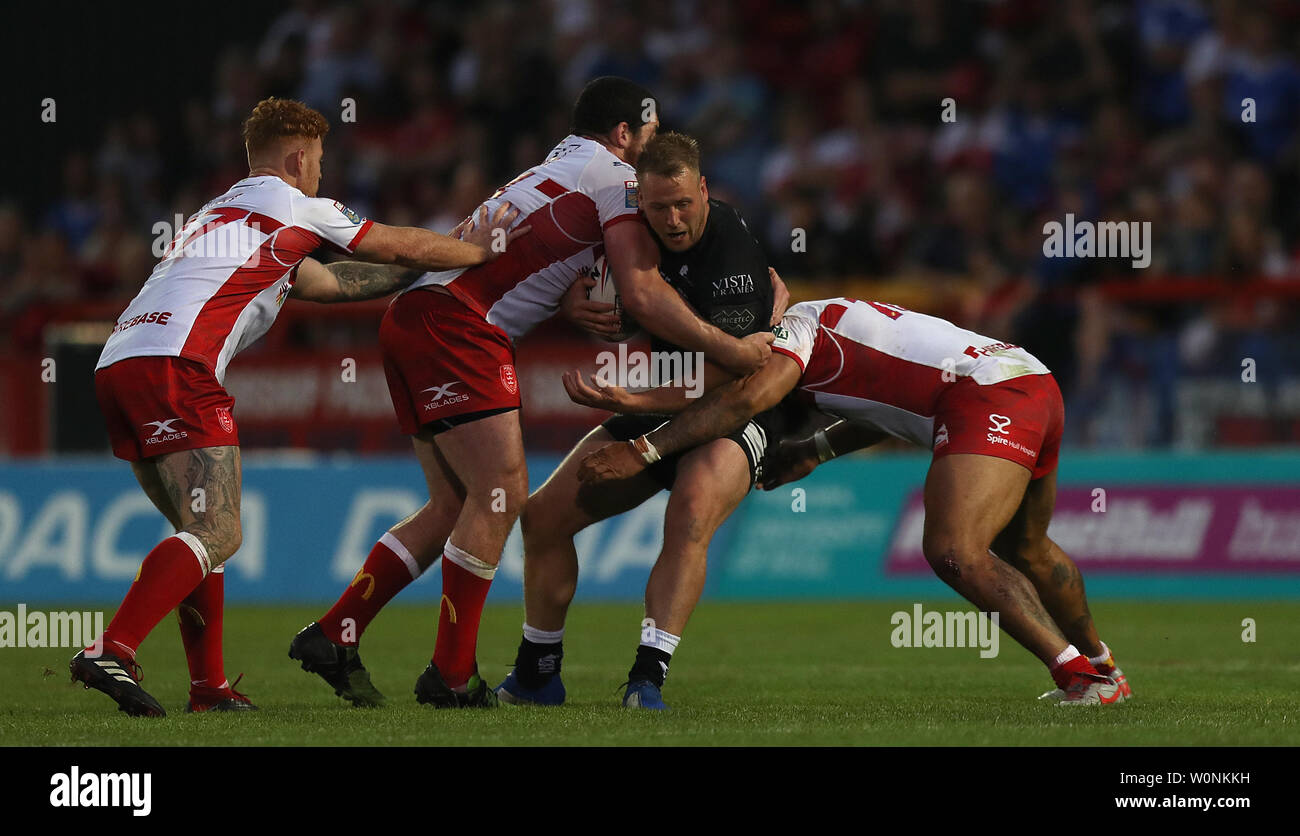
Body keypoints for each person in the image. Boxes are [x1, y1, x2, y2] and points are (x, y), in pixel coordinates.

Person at [290, 78, 775, 709]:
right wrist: (736, 350)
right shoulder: (619, 180)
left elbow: (540, 259)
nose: (651, 159)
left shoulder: (553, 166)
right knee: (504, 492)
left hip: (414, 315)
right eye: (648, 138)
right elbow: (643, 292)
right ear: (625, 135)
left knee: (453, 505)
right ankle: (452, 674)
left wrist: (569, 296)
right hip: (462, 326)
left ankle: (335, 633)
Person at [71, 97, 522, 717]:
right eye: (319, 163)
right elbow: (388, 244)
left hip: (119, 363)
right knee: (219, 530)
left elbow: (330, 282)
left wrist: (422, 274)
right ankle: (112, 649)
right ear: (300, 156)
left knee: (201, 531)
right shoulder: (294, 203)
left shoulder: (222, 213)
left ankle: (208, 688)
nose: (321, 175)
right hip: (179, 366)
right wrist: (477, 250)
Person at [577, 297, 1133, 706]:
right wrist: (815, 449)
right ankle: (1104, 670)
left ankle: (1078, 679)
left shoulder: (793, 332)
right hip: (1028, 381)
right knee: (1027, 547)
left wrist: (643, 451)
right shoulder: (832, 336)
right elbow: (882, 408)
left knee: (954, 550)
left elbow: (745, 400)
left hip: (985, 393)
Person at [495, 131, 804, 710]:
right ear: (640, 201)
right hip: (663, 397)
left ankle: (646, 678)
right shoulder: (628, 233)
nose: (674, 218)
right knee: (541, 519)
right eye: (659, 206)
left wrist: (630, 404)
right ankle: (538, 673)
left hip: (732, 416)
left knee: (689, 511)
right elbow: (561, 263)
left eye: (683, 202)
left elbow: (726, 380)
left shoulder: (731, 256)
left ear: (704, 190)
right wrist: (570, 298)